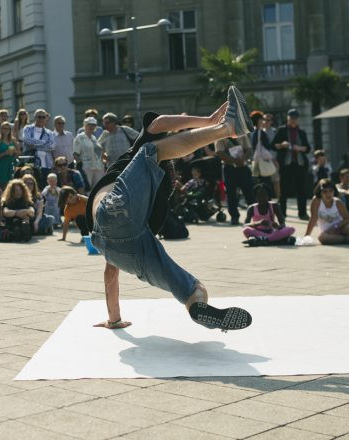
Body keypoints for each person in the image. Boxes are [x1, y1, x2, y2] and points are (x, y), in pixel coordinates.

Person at [88, 86, 253, 331]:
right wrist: (209, 121)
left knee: (149, 151)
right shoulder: (147, 171)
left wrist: (114, 319)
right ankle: (195, 302)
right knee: (193, 287)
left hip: (109, 244)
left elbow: (110, 275)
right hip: (134, 241)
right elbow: (160, 124)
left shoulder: (138, 164)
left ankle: (197, 308)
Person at [272, 108, 311, 220]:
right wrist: (282, 145)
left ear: (297, 119)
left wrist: (300, 148)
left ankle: (302, 213)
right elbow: (273, 145)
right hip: (286, 164)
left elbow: (308, 148)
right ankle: (282, 213)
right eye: (291, 118)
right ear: (288, 118)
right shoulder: (281, 130)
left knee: (301, 190)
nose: (293, 120)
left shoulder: (301, 132)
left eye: (295, 118)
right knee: (284, 190)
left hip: (299, 164)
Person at [305, 179, 349, 245]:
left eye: (331, 191)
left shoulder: (338, 202)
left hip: (341, 227)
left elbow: (348, 219)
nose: (328, 194)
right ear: (320, 192)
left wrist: (335, 226)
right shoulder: (316, 201)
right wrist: (306, 236)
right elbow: (313, 218)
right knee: (322, 238)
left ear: (334, 191)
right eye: (325, 192)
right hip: (328, 232)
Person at [216, 135, 254, 225]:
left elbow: (249, 149)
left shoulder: (242, 134)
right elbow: (220, 152)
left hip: (243, 166)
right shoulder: (221, 136)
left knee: (249, 192)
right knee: (231, 194)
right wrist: (234, 160)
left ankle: (253, 215)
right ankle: (234, 216)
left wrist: (243, 158)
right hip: (229, 168)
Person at [250, 111, 280, 199]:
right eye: (262, 119)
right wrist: (273, 160)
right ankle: (267, 201)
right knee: (266, 183)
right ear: (259, 120)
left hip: (257, 161)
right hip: (264, 161)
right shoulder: (260, 133)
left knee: (260, 183)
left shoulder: (253, 132)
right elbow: (266, 149)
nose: (263, 121)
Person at [23, 108, 55, 186]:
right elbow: (27, 140)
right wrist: (44, 143)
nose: (41, 119)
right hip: (31, 164)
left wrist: (35, 146)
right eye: (39, 117)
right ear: (35, 118)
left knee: (44, 186)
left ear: (46, 118)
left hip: (46, 164)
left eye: (43, 117)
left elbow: (52, 146)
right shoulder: (28, 129)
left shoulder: (49, 132)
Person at [73, 117, 105, 190]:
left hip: (98, 167)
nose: (91, 126)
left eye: (93, 125)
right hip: (86, 167)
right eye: (89, 124)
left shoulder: (94, 138)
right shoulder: (80, 137)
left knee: (98, 189)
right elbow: (75, 153)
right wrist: (79, 165)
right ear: (85, 125)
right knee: (87, 189)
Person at [0, 121, 18, 189]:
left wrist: (14, 152)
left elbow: (19, 152)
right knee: (3, 186)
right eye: (4, 128)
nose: (6, 130)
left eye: (8, 128)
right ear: (1, 129)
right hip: (2, 165)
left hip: (11, 164)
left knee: (12, 184)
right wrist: (5, 153)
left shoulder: (13, 140)